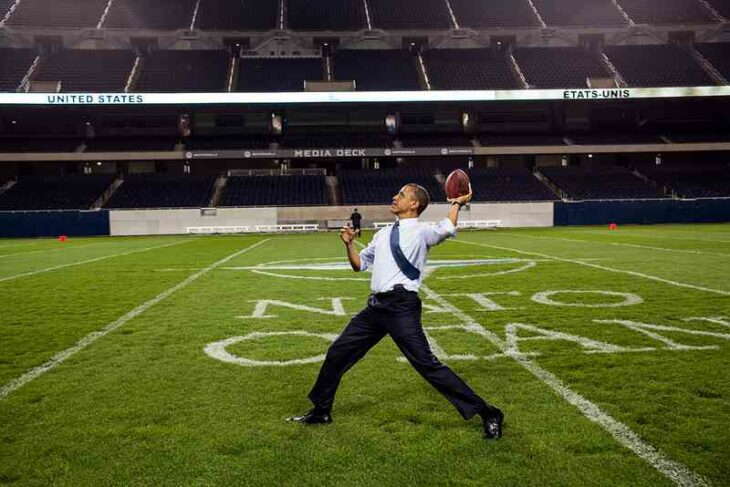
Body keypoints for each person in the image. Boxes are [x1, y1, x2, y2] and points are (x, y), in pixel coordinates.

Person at [288, 183, 504, 439]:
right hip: (376, 307)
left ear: (414, 204)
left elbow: (447, 228)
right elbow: (359, 266)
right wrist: (348, 245)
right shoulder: (383, 233)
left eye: (401, 195)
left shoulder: (423, 231)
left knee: (427, 366)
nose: (394, 197)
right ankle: (322, 410)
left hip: (402, 306)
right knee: (338, 353)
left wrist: (456, 203)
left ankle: (488, 412)